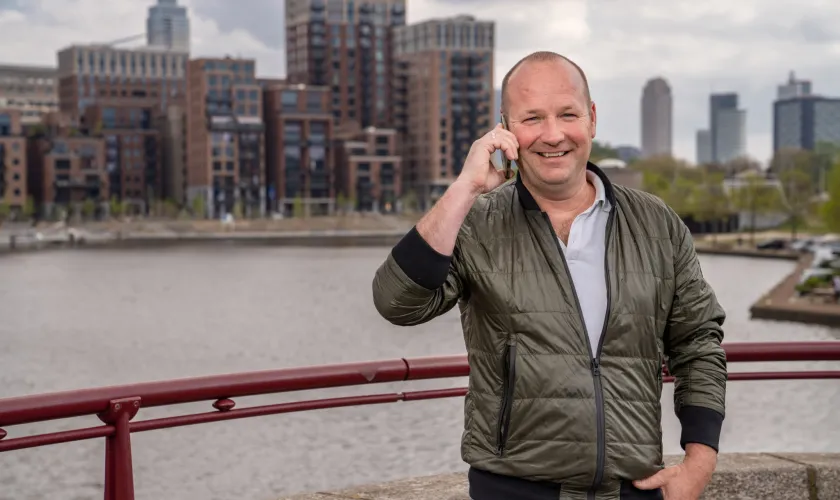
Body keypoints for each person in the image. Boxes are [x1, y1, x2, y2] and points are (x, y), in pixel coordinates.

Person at [372, 51, 727, 500]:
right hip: (513, 490)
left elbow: (698, 343)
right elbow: (395, 303)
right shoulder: (477, 224)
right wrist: (465, 190)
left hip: (632, 489)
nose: (553, 134)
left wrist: (699, 461)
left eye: (567, 114)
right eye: (532, 118)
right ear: (505, 129)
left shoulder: (656, 225)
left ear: (592, 118)